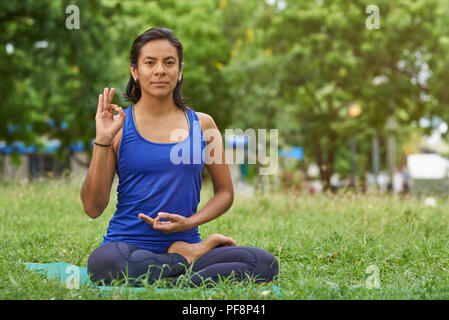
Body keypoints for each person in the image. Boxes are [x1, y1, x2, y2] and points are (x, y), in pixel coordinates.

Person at [80, 27, 278, 287]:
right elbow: (93, 208)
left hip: (188, 245)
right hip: (127, 249)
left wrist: (190, 222)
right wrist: (102, 141)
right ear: (135, 71)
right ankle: (181, 268)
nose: (160, 70)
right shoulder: (119, 127)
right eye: (150, 62)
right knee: (103, 263)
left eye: (169, 62)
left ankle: (176, 267)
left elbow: (225, 193)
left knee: (263, 263)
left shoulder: (204, 125)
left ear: (180, 70)